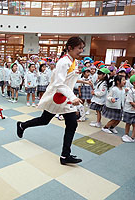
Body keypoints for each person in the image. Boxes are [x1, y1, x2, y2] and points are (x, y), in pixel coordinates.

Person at [16, 36, 85, 165]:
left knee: (71, 124)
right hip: (58, 97)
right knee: (45, 120)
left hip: (65, 97)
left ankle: (65, 156)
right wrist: (73, 97)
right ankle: (22, 125)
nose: (81, 50)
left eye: (82, 48)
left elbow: (68, 79)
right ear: (70, 48)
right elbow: (59, 83)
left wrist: (83, 81)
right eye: (79, 48)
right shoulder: (63, 62)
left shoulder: (72, 60)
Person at [122, 74, 135, 142]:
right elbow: (131, 102)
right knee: (128, 123)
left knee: (134, 124)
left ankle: (133, 137)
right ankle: (126, 134)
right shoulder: (131, 91)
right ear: (134, 83)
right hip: (129, 110)